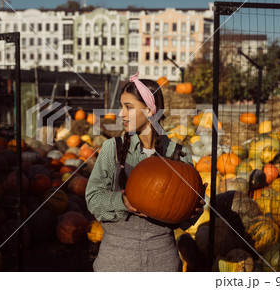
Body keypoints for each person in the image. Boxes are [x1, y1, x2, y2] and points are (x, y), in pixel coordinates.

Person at [85, 72, 205, 272]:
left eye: (128, 107)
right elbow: (92, 199)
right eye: (121, 106)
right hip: (115, 262)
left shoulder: (179, 155)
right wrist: (121, 202)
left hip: (162, 262)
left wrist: (193, 211)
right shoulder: (111, 148)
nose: (121, 113)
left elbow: (181, 219)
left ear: (150, 110)